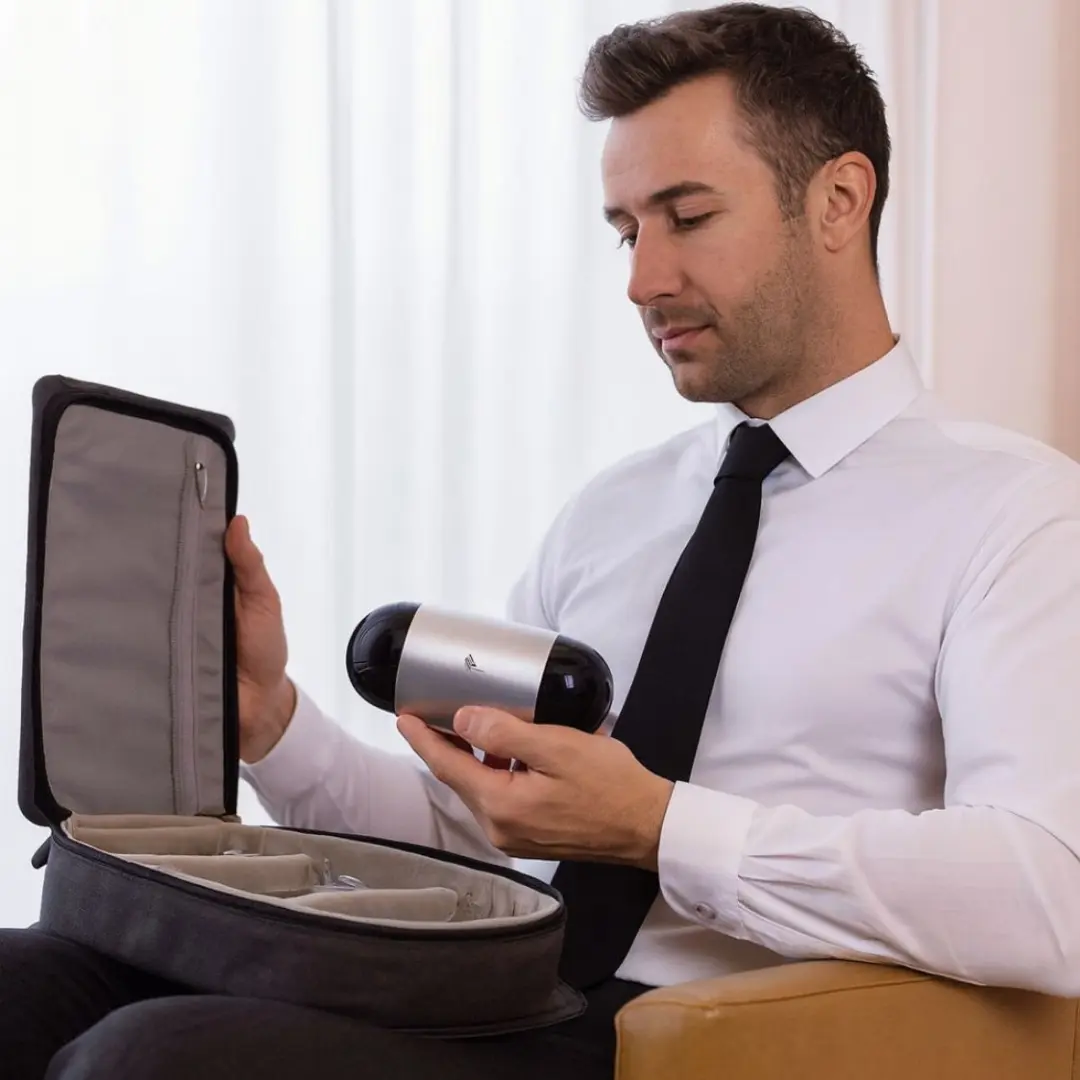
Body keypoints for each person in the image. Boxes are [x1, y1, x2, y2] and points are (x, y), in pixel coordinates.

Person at [5, 3, 1080, 1077]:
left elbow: (1048, 889)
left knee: (157, 1059)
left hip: (692, 1039)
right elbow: (475, 828)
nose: (641, 279)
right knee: (29, 984)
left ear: (840, 200)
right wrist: (274, 723)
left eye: (687, 216)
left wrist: (660, 827)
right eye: (625, 230)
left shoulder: (1013, 514)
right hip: (501, 989)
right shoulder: (618, 510)